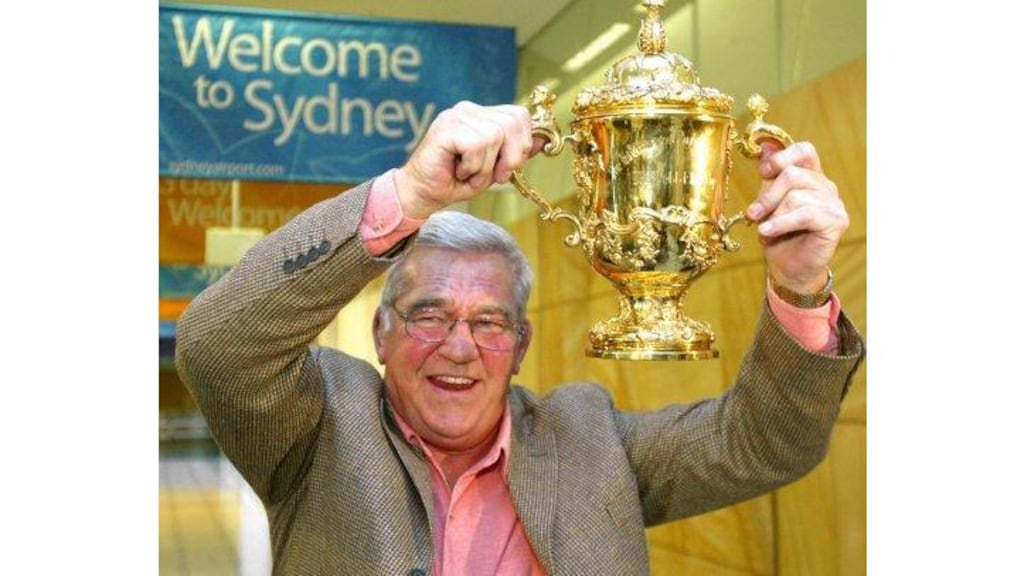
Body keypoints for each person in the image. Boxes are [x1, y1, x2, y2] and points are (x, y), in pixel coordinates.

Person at [175, 101, 864, 574]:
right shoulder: (319, 427)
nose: (459, 346)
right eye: (428, 314)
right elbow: (216, 345)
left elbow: (765, 443)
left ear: (522, 345)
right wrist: (410, 195)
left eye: (489, 322)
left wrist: (802, 287)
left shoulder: (590, 439)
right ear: (380, 334)